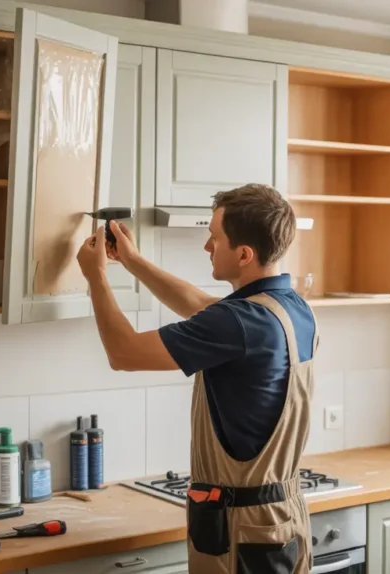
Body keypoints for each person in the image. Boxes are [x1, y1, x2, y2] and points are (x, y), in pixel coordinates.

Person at [76, 183, 318, 574]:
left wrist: (97, 277)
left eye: (215, 238)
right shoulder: (290, 307)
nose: (207, 246)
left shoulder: (237, 322)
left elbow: (123, 353)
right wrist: (132, 261)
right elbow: (197, 305)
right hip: (281, 518)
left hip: (241, 529)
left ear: (244, 254)